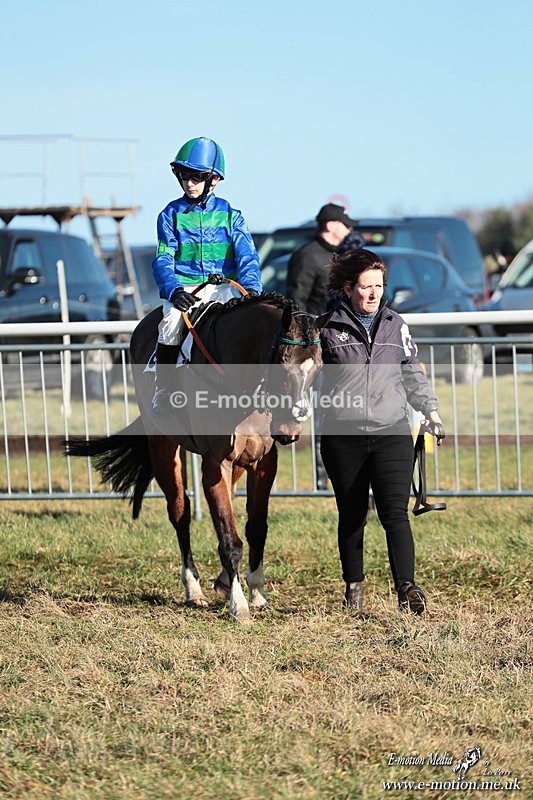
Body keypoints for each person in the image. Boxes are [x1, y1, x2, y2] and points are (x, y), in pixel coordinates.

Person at [319, 248, 445, 615]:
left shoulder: (396, 324)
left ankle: (407, 590)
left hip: (391, 431)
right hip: (343, 435)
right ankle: (353, 590)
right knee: (352, 514)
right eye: (366, 286)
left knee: (395, 513)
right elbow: (303, 376)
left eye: (379, 285)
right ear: (348, 288)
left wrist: (431, 411)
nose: (374, 293)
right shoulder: (325, 327)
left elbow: (411, 371)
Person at [151, 136, 262, 416]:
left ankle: (261, 389)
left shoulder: (232, 215)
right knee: (170, 323)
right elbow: (163, 258)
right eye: (184, 175)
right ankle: (164, 390)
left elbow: (247, 257)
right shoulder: (169, 214)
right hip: (186, 288)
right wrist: (174, 289)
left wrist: (252, 290)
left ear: (214, 180)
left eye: (197, 177)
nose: (189, 183)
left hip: (226, 287)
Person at [286, 203, 364, 488]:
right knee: (322, 414)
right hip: (316, 348)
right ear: (331, 225)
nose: (350, 229)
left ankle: (352, 473)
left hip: (341, 345)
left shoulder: (340, 256)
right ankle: (322, 481)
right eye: (345, 224)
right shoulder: (307, 256)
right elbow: (297, 302)